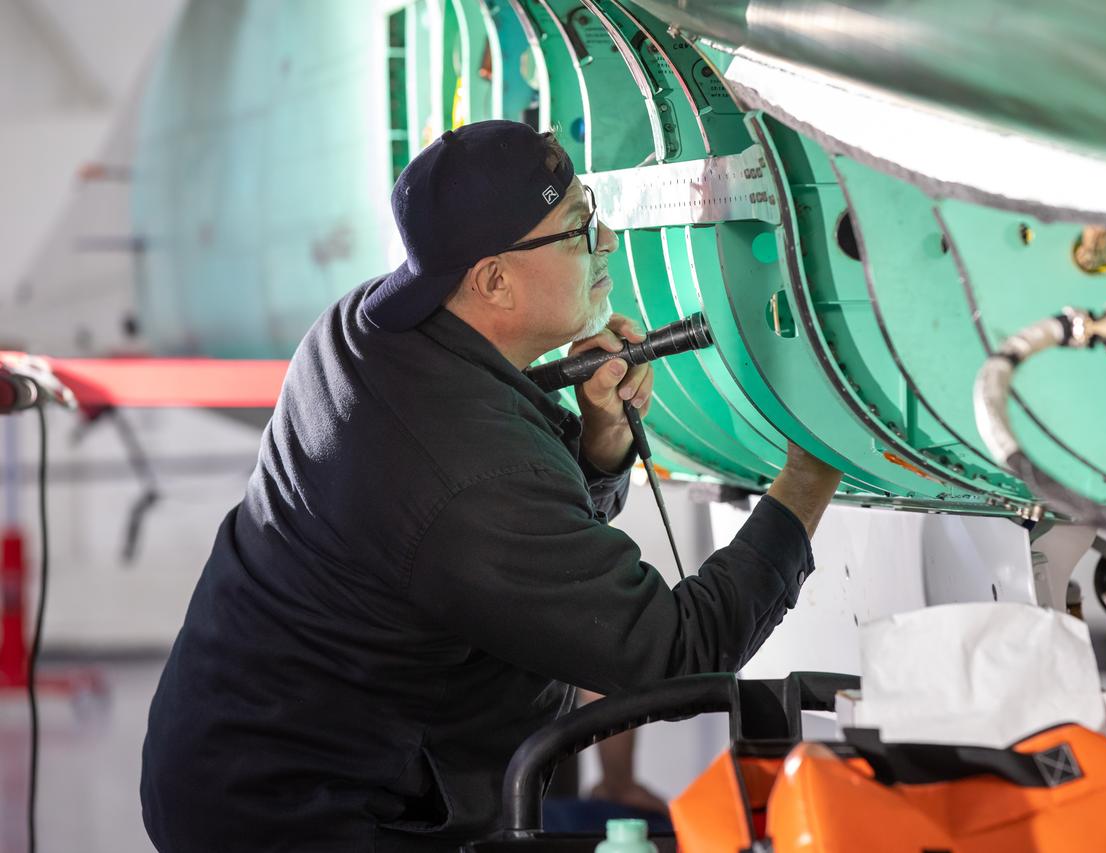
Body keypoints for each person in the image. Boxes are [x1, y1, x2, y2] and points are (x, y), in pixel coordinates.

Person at [140, 119, 843, 852]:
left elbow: (502, 541)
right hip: (293, 814)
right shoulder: (461, 474)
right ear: (494, 280)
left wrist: (599, 452)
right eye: (578, 229)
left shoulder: (365, 326)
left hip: (224, 742)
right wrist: (808, 477)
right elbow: (674, 653)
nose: (605, 243)